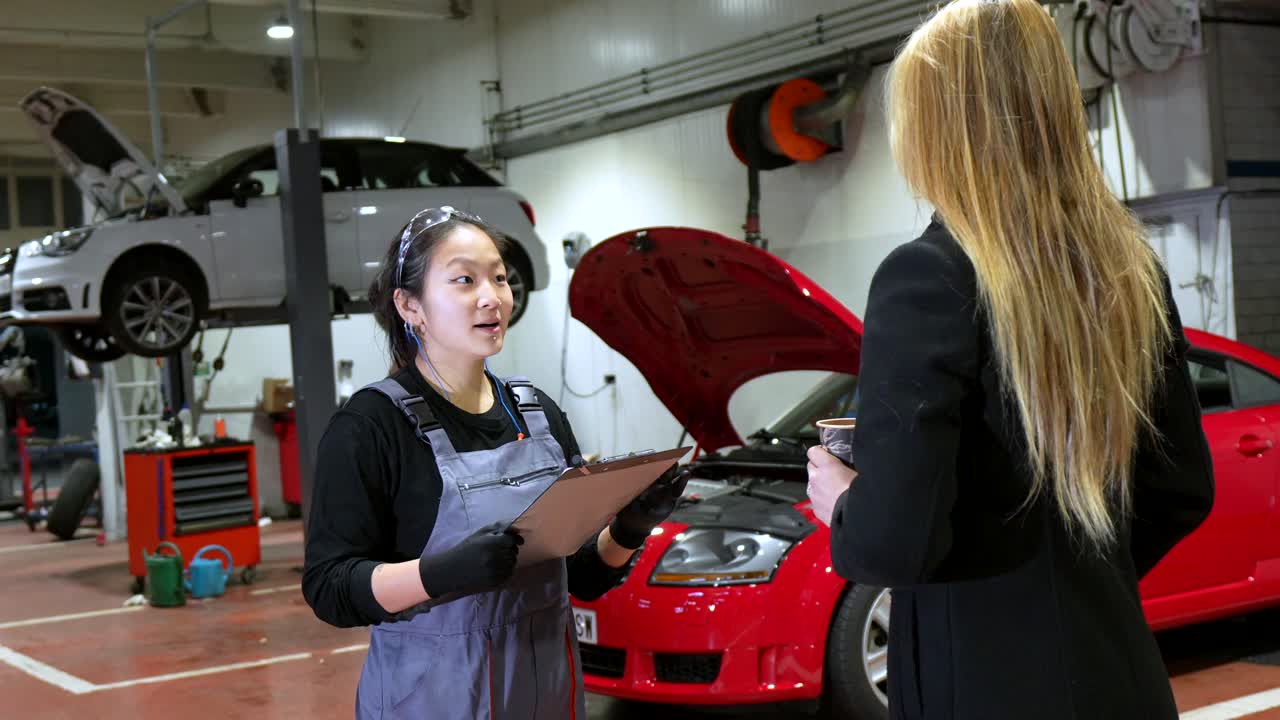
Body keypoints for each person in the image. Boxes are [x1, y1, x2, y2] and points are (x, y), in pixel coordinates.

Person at [805, 1, 1215, 718]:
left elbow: (898, 541)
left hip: (984, 687)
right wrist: (1072, 577)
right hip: (1119, 676)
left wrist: (845, 505)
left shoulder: (926, 276)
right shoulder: (1129, 270)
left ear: (935, 127)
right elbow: (1182, 488)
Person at [302, 206, 689, 719]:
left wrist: (629, 529)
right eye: (464, 280)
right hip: (431, 703)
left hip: (546, 698)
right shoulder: (371, 427)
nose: (492, 297)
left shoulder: (538, 412)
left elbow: (578, 576)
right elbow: (330, 587)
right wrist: (437, 574)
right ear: (410, 305)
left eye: (500, 278)